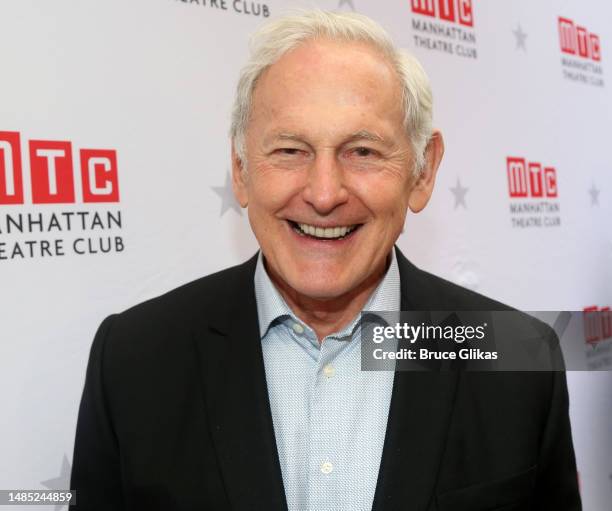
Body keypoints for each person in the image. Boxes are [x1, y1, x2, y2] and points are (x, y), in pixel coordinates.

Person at [70, 10, 581, 511]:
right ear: (241, 169)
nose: (323, 193)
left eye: (362, 151)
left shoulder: (515, 356)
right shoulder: (134, 359)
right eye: (290, 150)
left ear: (423, 171)